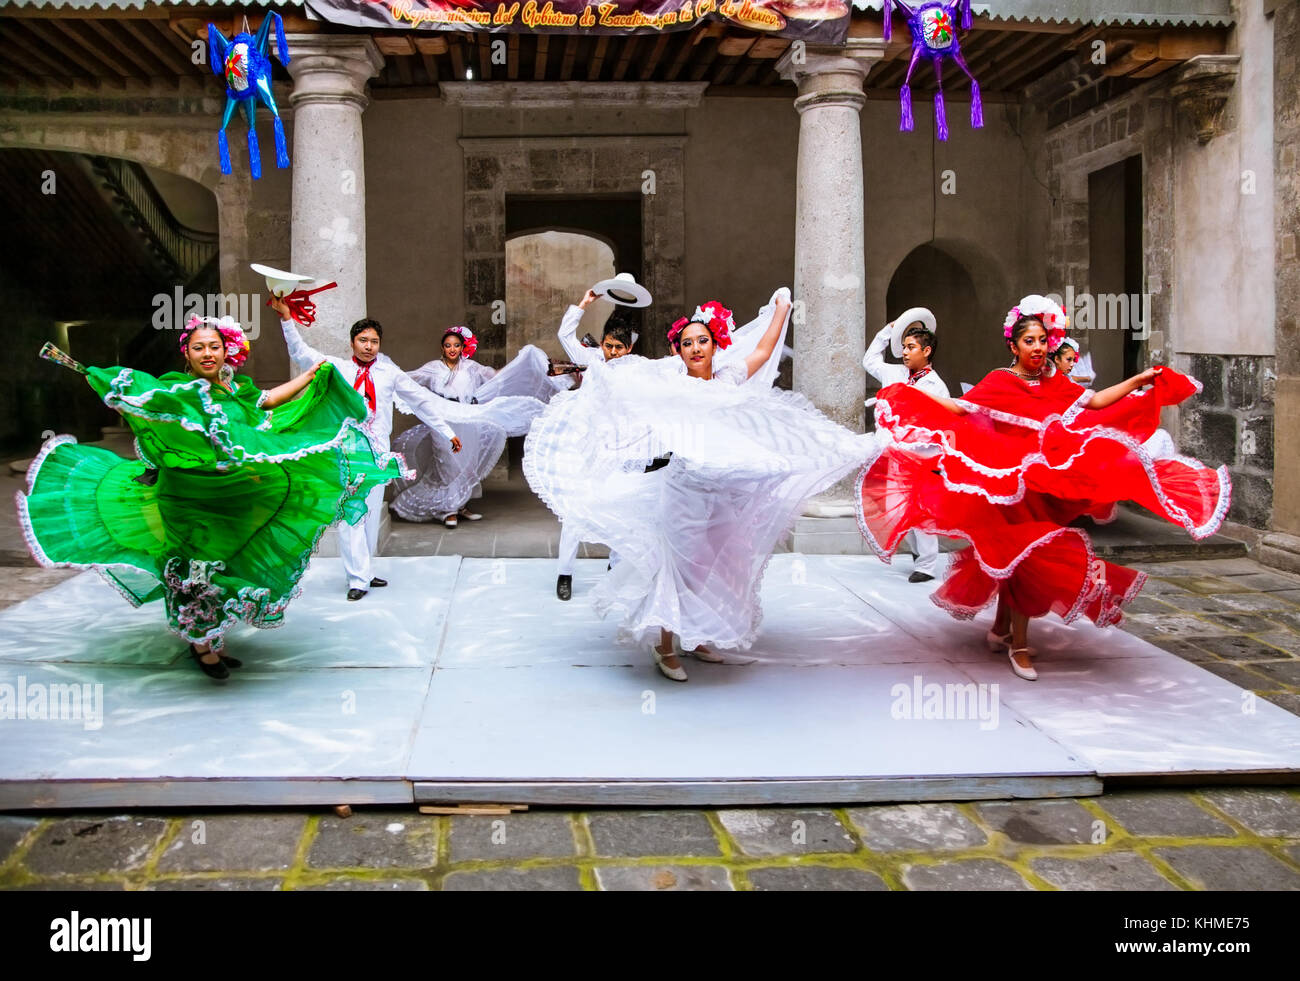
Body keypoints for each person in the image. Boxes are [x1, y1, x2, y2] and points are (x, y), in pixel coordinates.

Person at [855, 294, 1230, 681]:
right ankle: (1018, 644)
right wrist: (911, 397)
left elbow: (1097, 401)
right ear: (1013, 345)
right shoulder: (1000, 381)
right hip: (1009, 489)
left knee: (1021, 560)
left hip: (1043, 487)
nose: (1037, 348)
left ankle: (1002, 629)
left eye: (1041, 340)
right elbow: (962, 408)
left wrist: (1138, 380)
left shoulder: (1055, 382)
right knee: (1025, 556)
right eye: (1029, 341)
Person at [18, 317, 407, 680]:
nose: (208, 354)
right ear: (186, 353)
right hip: (186, 496)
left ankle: (208, 638)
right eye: (200, 347)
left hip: (229, 496)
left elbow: (268, 401)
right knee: (194, 568)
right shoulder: (176, 389)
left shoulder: (236, 390)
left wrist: (310, 376)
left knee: (222, 565)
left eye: (215, 347)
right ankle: (201, 645)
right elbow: (142, 397)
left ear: (226, 352)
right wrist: (101, 379)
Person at [524, 288, 872, 682]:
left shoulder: (730, 378)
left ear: (715, 345)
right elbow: (609, 372)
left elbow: (761, 350)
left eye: (702, 341)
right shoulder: (670, 383)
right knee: (680, 564)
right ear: (678, 351)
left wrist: (782, 309)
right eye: (686, 343)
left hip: (721, 490)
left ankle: (697, 633)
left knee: (711, 565)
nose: (695, 348)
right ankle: (665, 644)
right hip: (683, 489)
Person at [273, 297, 462, 601]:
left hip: (379, 450)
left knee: (371, 513)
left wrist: (446, 430)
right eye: (363, 340)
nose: (369, 346)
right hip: (349, 451)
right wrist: (286, 319)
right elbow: (301, 353)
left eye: (374, 341)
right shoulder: (338, 368)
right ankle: (357, 579)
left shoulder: (389, 373)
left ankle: (366, 570)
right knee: (352, 513)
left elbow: (420, 400)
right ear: (352, 343)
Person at [392, 325, 558, 527]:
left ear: (462, 347)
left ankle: (460, 505)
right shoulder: (433, 368)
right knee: (448, 462)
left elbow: (497, 377)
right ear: (442, 348)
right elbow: (408, 379)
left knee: (467, 462)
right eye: (448, 345)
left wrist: (521, 363)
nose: (452, 349)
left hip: (468, 415)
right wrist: (383, 376)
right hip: (443, 415)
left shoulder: (471, 367)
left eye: (456, 345)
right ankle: (448, 510)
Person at [553, 289, 638, 601]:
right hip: (585, 445)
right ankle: (565, 573)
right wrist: (584, 303)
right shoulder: (591, 359)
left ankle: (616, 570)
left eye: (618, 347)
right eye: (608, 345)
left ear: (629, 348)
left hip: (620, 449)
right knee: (575, 511)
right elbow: (565, 335)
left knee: (623, 510)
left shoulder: (635, 369)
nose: (612, 352)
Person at [863, 308, 949, 583]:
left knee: (923, 512)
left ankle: (926, 565)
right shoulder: (895, 373)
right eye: (903, 347)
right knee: (901, 508)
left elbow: (941, 426)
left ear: (926, 351)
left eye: (911, 347)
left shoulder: (936, 386)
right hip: (897, 454)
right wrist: (887, 332)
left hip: (924, 457)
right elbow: (869, 360)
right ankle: (917, 553)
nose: (905, 352)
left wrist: (938, 465)